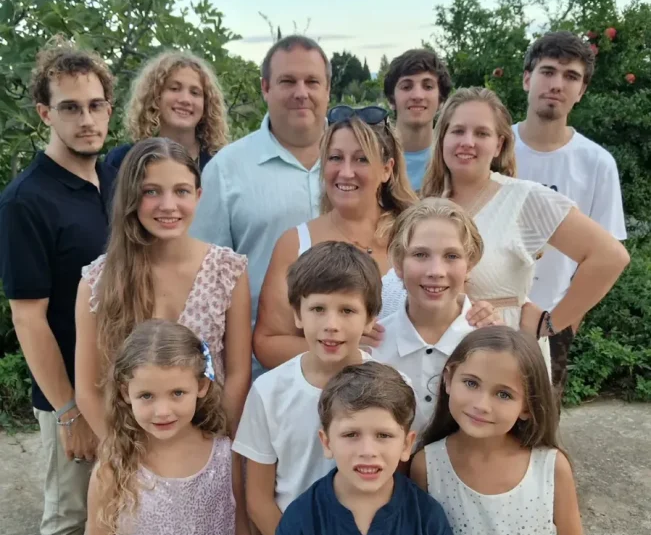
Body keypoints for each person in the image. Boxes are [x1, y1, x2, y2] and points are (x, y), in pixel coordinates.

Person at [0, 39, 116, 535]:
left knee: (116, 507)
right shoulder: (26, 200)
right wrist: (70, 411)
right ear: (45, 113)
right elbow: (28, 316)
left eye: (95, 105)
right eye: (70, 107)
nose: (86, 119)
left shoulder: (113, 179)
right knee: (70, 514)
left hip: (125, 384)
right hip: (70, 393)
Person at [420, 87, 630, 371]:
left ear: (499, 145)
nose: (467, 142)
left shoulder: (523, 199)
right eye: (458, 131)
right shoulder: (427, 206)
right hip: (434, 358)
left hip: (503, 359)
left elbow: (610, 256)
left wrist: (550, 324)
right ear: (442, 138)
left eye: (481, 133)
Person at [232, 242, 383, 535]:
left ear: (370, 318)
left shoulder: (391, 390)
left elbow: (396, 485)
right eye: (318, 309)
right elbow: (258, 499)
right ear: (297, 313)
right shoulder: (269, 392)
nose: (331, 324)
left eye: (347, 310)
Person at [75, 138, 251, 440]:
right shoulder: (98, 281)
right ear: (131, 197)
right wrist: (125, 455)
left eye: (181, 191)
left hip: (208, 440)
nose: (168, 205)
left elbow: (237, 374)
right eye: (151, 191)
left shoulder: (227, 270)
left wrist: (215, 447)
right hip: (131, 446)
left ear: (198, 195)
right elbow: (89, 390)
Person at [411, 326, 589, 535]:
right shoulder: (426, 467)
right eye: (471, 383)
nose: (482, 405)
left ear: (528, 407)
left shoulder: (551, 468)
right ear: (448, 379)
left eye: (504, 394)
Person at [272, 362, 471, 535]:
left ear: (407, 444)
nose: (368, 451)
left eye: (383, 435)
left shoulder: (427, 520)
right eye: (351, 434)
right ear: (327, 442)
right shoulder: (299, 522)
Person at [86, 319, 255, 535]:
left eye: (177, 393)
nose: (163, 411)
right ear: (125, 392)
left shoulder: (224, 456)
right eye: (147, 396)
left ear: (201, 386)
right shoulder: (114, 467)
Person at [191, 35, 330, 379]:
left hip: (356, 371)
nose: (301, 92)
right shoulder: (226, 170)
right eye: (288, 81)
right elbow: (202, 280)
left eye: (312, 82)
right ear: (265, 88)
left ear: (328, 89)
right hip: (260, 374)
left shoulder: (358, 163)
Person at [253, 105, 416, 369]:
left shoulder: (415, 237)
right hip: (325, 393)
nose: (346, 172)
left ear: (387, 169)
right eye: (336, 158)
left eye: (362, 159)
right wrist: (342, 348)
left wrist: (480, 313)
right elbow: (267, 343)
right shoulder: (296, 243)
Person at [514, 31, 627, 395]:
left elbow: (604, 261)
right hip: (484, 313)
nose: (557, 84)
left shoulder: (597, 164)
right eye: (548, 71)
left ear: (582, 91)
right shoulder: (494, 148)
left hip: (550, 320)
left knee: (541, 422)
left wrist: (560, 325)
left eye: (571, 76)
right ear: (527, 79)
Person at [373, 198, 492, 434]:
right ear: (398, 262)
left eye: (451, 256)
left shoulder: (491, 343)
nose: (436, 271)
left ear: (470, 263)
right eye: (420, 254)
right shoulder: (373, 346)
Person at [105, 51, 228, 171]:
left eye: (195, 93)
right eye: (174, 88)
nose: (185, 100)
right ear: (155, 96)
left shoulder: (221, 164)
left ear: (206, 104)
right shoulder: (122, 161)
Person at [383, 48, 452, 192]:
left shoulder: (452, 158)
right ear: (391, 99)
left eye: (428, 86)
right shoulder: (374, 155)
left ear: (441, 100)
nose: (417, 96)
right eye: (406, 87)